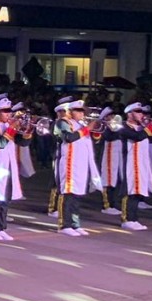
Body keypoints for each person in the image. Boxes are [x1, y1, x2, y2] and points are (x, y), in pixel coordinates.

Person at [0, 98, 30, 241]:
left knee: (6, 198)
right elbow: (0, 143)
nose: (8, 114)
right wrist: (12, 127)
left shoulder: (10, 125)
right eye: (5, 111)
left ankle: (2, 227)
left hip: (9, 164)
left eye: (9, 111)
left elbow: (23, 142)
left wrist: (28, 131)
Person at [53, 100, 97, 236]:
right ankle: (64, 224)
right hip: (68, 163)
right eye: (78, 110)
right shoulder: (62, 123)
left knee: (77, 195)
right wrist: (86, 130)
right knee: (67, 194)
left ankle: (75, 223)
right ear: (70, 112)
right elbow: (68, 137)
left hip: (80, 164)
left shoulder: (81, 124)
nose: (81, 113)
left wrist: (94, 132)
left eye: (82, 110)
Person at [117, 103, 152, 231]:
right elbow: (137, 137)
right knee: (129, 191)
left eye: (142, 112)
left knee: (138, 191)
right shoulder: (122, 127)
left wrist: (148, 126)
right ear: (129, 114)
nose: (142, 114)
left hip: (141, 163)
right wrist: (151, 125)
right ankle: (126, 219)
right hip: (129, 162)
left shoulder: (141, 127)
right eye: (138, 112)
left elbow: (151, 138)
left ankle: (134, 218)